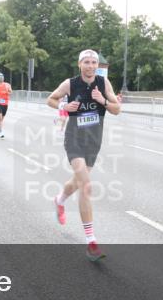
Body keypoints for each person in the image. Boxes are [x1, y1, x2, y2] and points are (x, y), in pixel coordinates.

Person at [46, 49, 121, 261]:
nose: (90, 66)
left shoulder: (103, 84)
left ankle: (59, 200)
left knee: (78, 182)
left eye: (93, 62)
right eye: (86, 62)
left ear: (97, 65)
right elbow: (50, 99)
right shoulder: (70, 83)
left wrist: (103, 101)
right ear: (80, 64)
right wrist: (63, 105)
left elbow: (117, 109)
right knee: (86, 185)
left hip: (93, 142)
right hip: (74, 140)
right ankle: (91, 242)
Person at [0, 73, 12, 139]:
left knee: (1, 119)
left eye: (2, 76)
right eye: (0, 77)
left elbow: (11, 92)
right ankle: (1, 132)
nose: (1, 78)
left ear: (3, 78)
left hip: (5, 104)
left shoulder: (7, 85)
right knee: (0, 118)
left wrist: (7, 92)